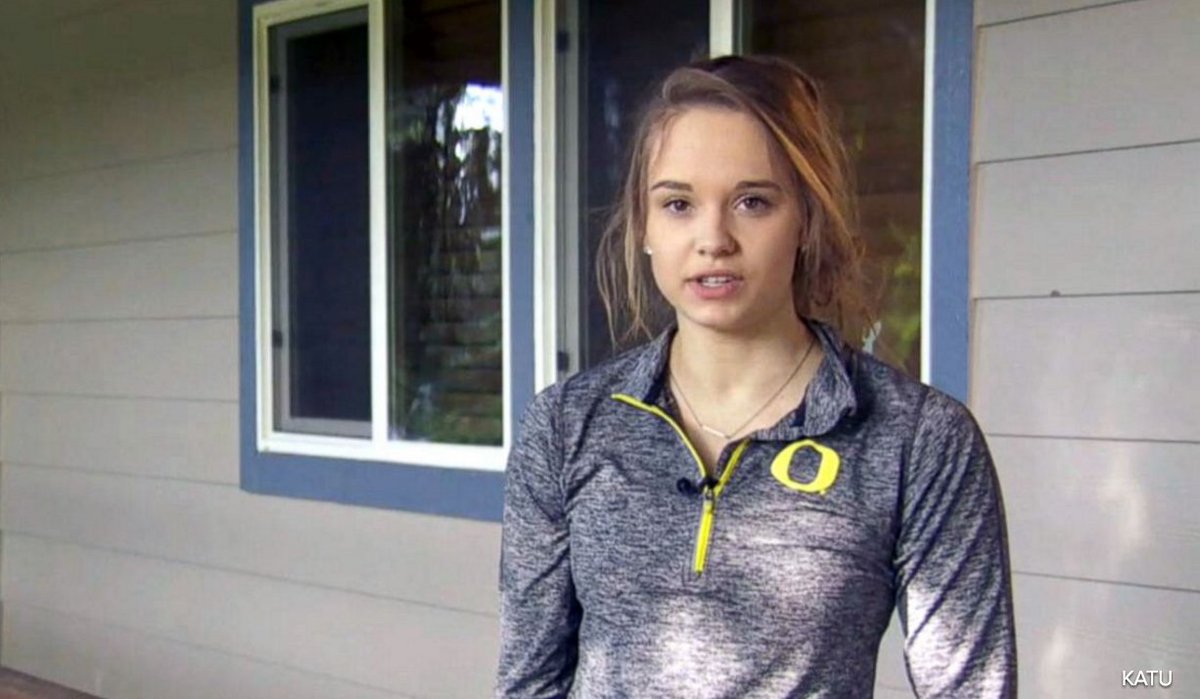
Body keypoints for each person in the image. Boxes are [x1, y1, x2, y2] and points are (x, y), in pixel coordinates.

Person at [496, 55, 1016, 698]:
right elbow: (528, 685)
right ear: (644, 226)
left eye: (752, 202)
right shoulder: (565, 424)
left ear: (806, 219)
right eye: (678, 204)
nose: (713, 238)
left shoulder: (920, 440)